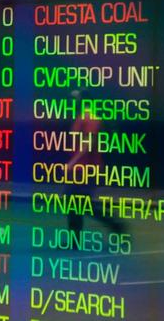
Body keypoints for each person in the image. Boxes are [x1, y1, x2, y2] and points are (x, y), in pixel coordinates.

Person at [66, 90, 125, 236]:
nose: (73, 102)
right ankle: (114, 225)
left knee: (78, 203)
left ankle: (116, 225)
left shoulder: (90, 118)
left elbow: (89, 142)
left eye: (76, 98)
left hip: (87, 168)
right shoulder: (81, 117)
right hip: (81, 169)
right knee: (76, 203)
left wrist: (73, 162)